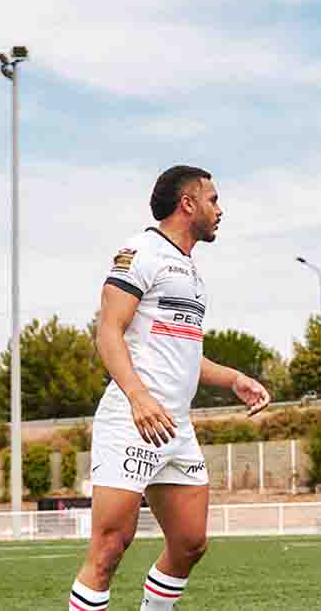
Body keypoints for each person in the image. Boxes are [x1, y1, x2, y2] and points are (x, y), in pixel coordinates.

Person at [70, 166, 271, 611]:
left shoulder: (191, 272)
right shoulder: (141, 252)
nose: (220, 210)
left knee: (189, 543)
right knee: (109, 548)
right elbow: (108, 331)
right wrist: (138, 397)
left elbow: (184, 354)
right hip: (133, 420)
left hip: (174, 427)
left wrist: (234, 378)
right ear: (188, 203)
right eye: (213, 200)